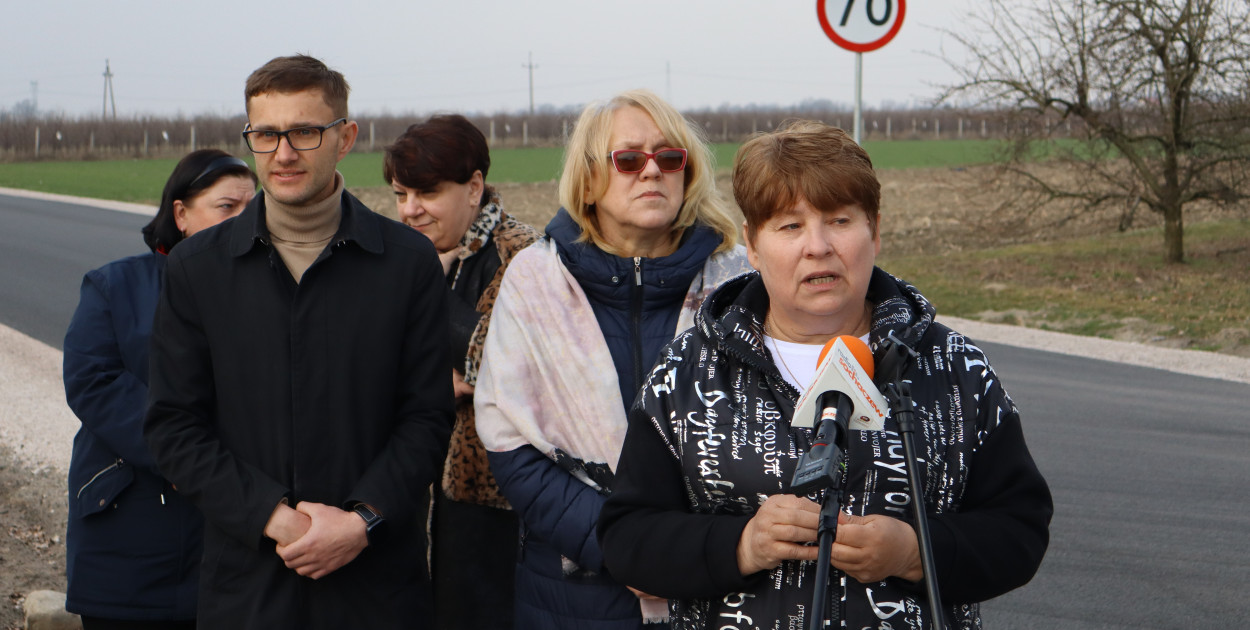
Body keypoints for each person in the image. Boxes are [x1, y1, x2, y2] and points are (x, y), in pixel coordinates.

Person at [598, 120, 1053, 629]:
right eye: (789, 226)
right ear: (752, 244)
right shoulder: (685, 372)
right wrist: (741, 545)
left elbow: (1021, 530)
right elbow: (627, 538)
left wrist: (914, 552)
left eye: (838, 220)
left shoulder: (953, 367)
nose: (817, 246)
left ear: (874, 230)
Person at [143, 54, 454, 629]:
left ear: (345, 137)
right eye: (266, 134)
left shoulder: (407, 262)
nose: (283, 153)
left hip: (377, 588)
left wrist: (363, 519)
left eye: (305, 132)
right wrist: (275, 518)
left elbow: (428, 417)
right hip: (250, 587)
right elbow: (175, 426)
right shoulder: (197, 269)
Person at [473, 89, 753, 630]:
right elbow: (509, 440)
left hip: (721, 583)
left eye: (669, 158)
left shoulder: (738, 283)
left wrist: (696, 550)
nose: (652, 172)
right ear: (589, 178)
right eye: (629, 159)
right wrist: (626, 547)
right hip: (573, 593)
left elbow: (772, 437)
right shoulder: (536, 282)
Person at [63, 149, 255, 630]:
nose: (243, 221)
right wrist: (184, 455)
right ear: (182, 214)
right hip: (130, 523)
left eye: (254, 210)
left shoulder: (270, 294)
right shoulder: (115, 285)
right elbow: (95, 382)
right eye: (227, 206)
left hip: (228, 528)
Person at [383, 114, 540, 629]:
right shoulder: (404, 256)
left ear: (474, 187)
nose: (409, 210)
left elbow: (505, 365)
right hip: (408, 487)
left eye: (425, 193)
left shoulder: (523, 256)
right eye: (400, 194)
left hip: (491, 496)